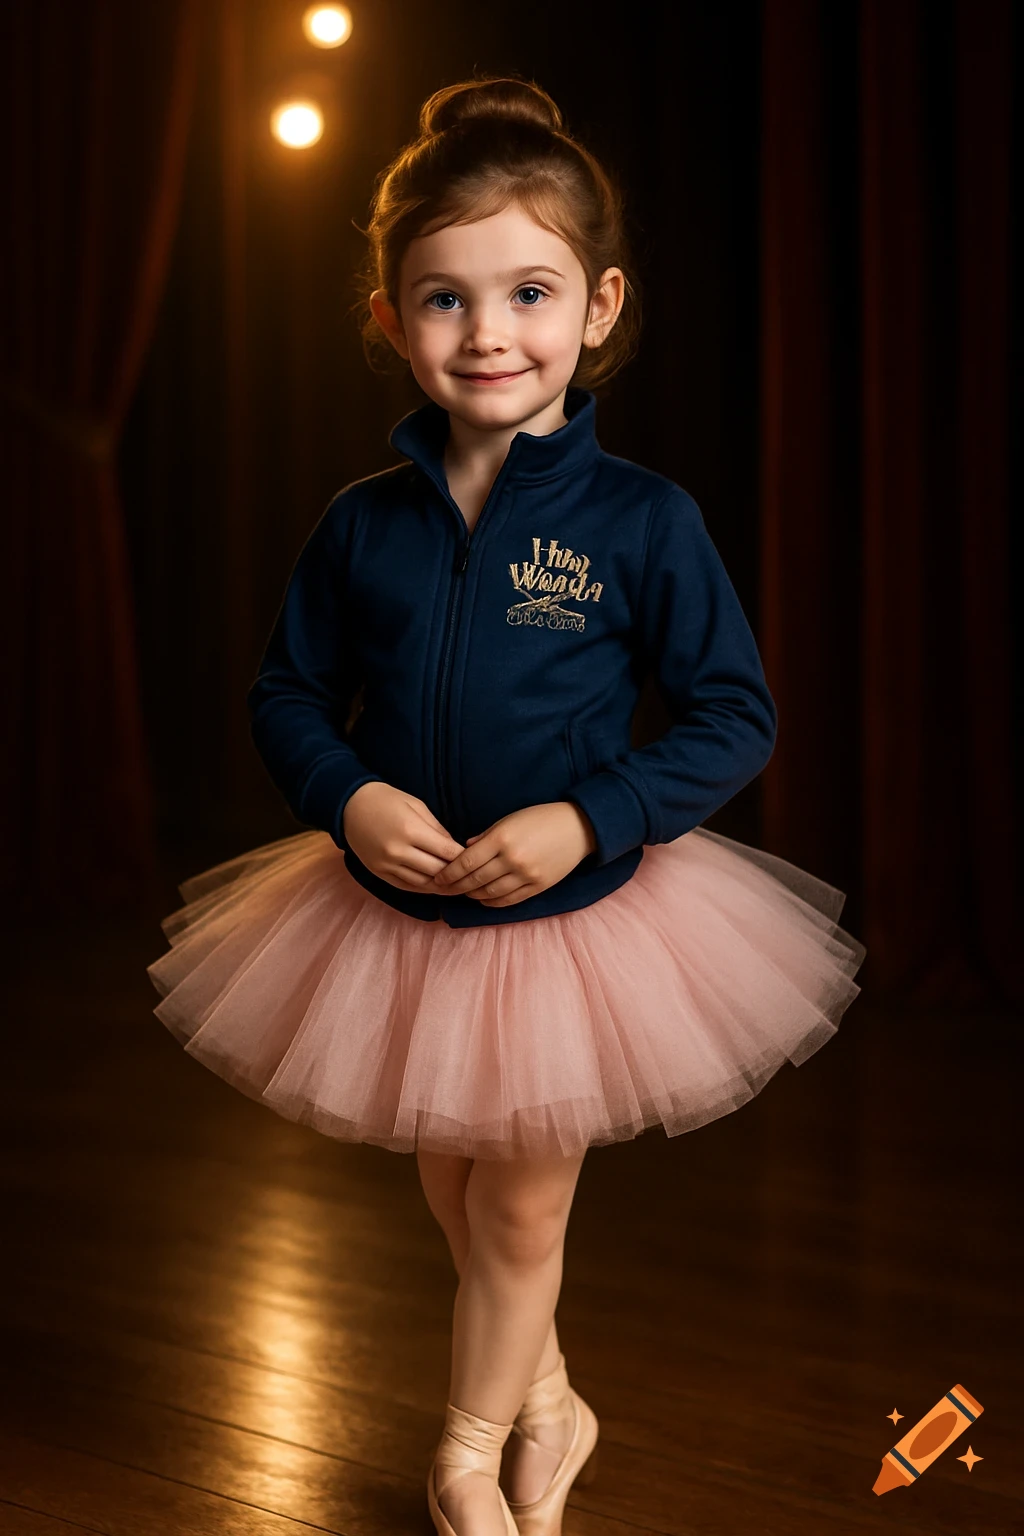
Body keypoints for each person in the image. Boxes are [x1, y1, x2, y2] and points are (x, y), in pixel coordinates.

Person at [147, 72, 867, 1536]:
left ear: (597, 305)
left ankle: (467, 1457)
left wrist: (590, 816)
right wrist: (344, 800)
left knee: (524, 1206)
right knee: (460, 1190)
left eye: (528, 292)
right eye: (445, 302)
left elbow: (736, 716)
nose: (489, 336)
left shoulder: (644, 521)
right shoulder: (362, 525)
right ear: (388, 317)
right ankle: (552, 1398)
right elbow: (287, 697)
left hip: (578, 926)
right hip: (397, 918)